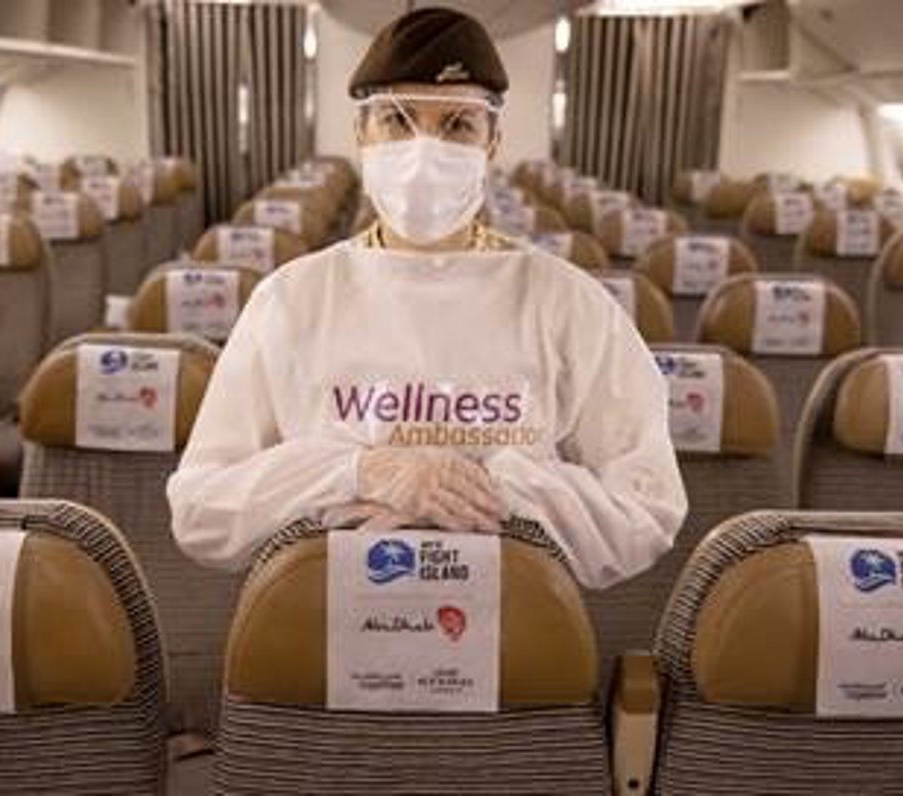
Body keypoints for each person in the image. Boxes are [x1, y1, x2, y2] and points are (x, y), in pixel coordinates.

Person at [167, 6, 687, 589]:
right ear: (361, 135)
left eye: (458, 126)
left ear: (493, 143)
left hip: (517, 622)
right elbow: (201, 509)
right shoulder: (291, 300)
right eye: (397, 120)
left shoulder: (568, 304)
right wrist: (359, 472)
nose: (424, 151)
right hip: (317, 618)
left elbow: (648, 507)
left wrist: (489, 487)